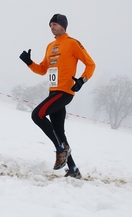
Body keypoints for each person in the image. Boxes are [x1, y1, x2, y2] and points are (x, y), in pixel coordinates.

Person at [19, 13, 95, 179]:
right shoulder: (50, 46)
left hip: (64, 92)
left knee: (37, 115)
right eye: (50, 25)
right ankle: (73, 170)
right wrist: (29, 63)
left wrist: (82, 80)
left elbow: (90, 64)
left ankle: (61, 150)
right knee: (59, 132)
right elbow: (42, 70)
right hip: (53, 92)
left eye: (55, 24)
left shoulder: (72, 43)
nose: (52, 27)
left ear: (63, 25)